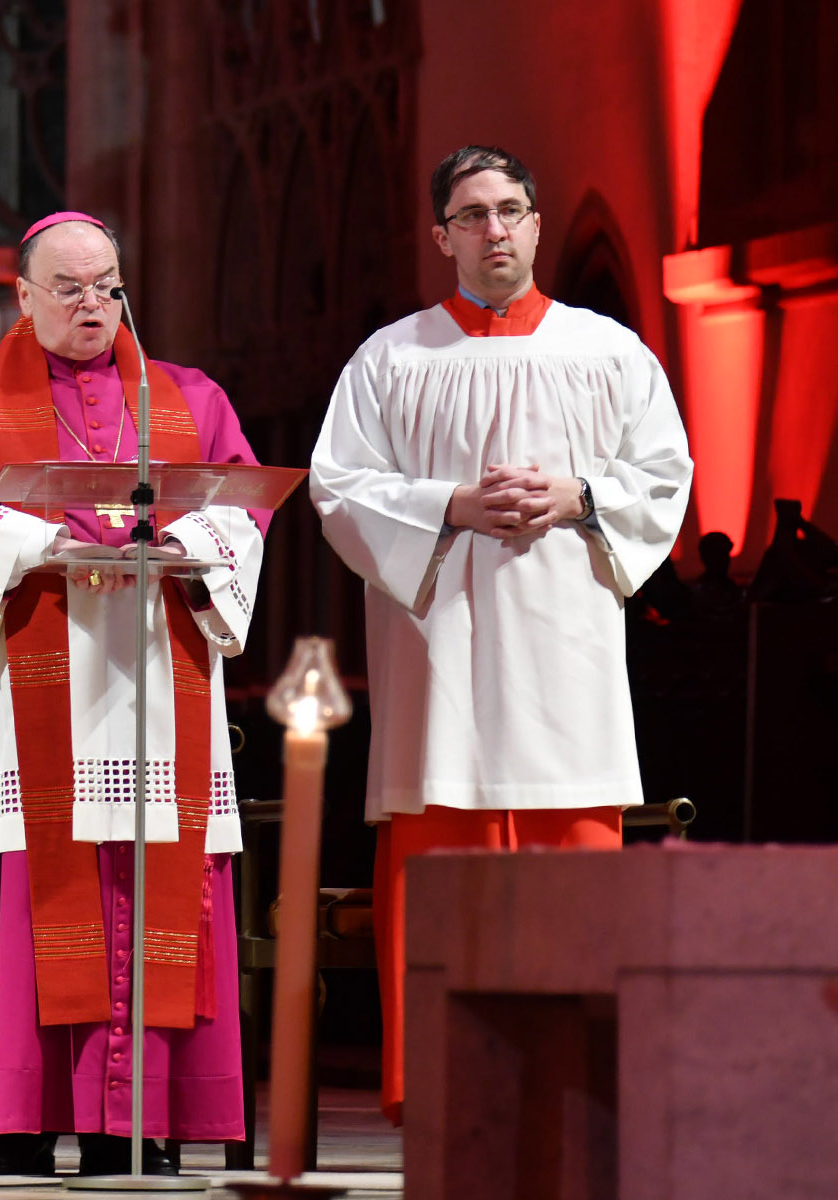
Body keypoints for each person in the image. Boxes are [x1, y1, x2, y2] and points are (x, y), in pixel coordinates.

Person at [309, 145, 693, 1126]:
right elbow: (338, 488)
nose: (496, 230)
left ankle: (583, 1085)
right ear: (441, 236)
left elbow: (664, 476)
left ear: (534, 222)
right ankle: (436, 1086)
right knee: (439, 858)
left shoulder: (608, 353)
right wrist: (451, 506)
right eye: (472, 215)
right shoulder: (391, 359)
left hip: (566, 659)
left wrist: (577, 495)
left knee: (577, 873)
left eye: (512, 210)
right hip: (440, 662)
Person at [0, 212, 268, 1176]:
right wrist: (40, 544)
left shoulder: (188, 397)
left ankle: (134, 1124)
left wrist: (180, 544)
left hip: (153, 682)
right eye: (68, 288)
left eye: (107, 286)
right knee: (36, 885)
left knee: (148, 882)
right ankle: (23, 1121)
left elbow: (243, 510)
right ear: (22, 296)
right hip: (25, 684)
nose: (92, 304)